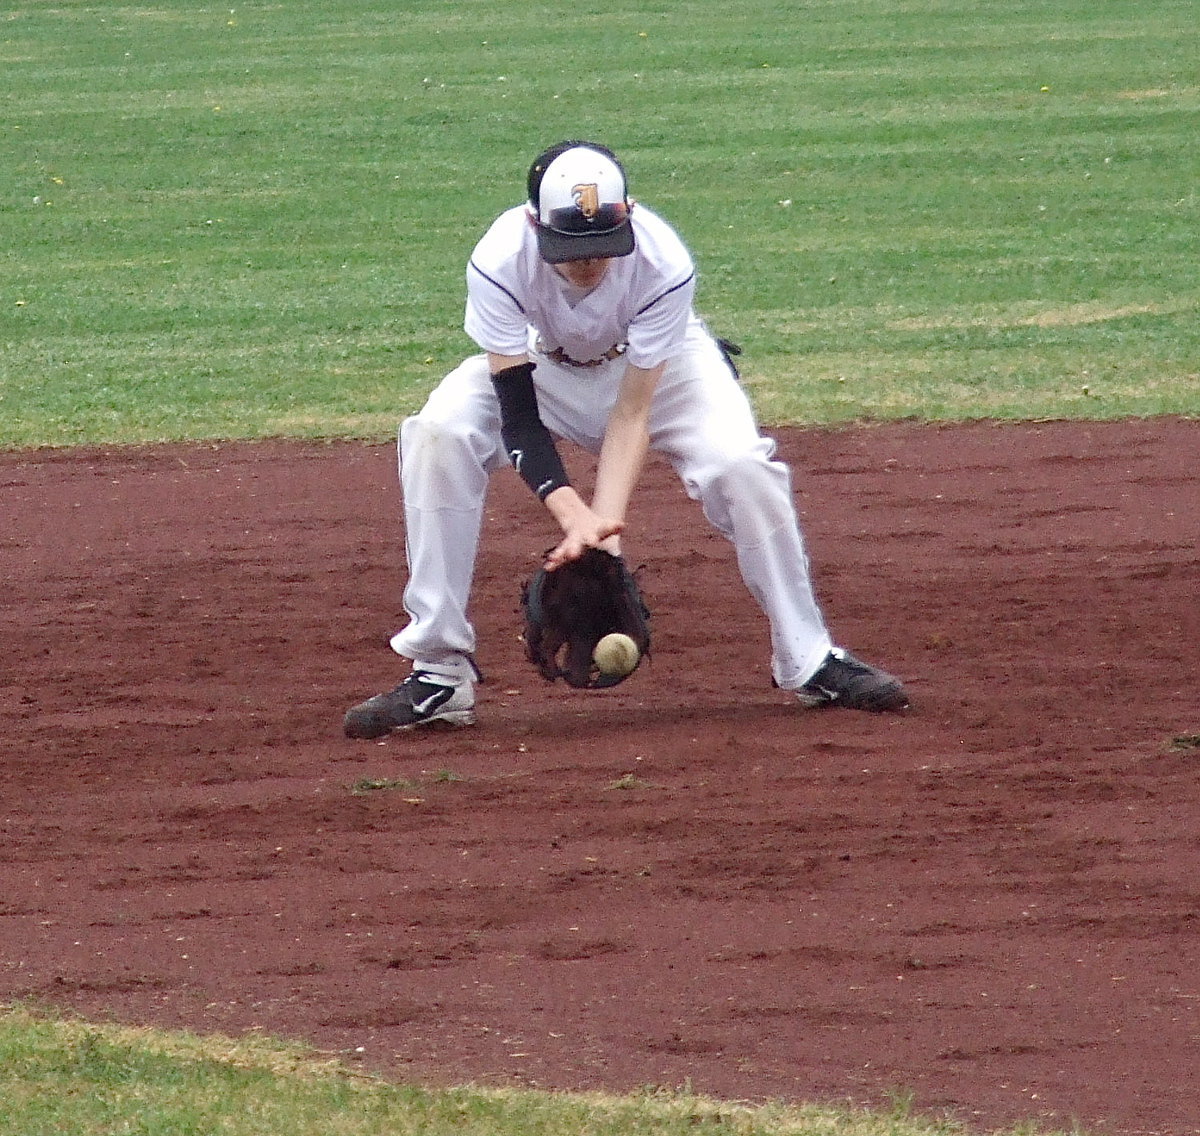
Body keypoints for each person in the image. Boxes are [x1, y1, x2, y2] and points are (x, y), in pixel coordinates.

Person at [343, 140, 908, 738]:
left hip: (664, 371)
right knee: (438, 434)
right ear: (534, 222)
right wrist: (574, 520)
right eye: (570, 250)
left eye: (601, 247)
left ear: (629, 214)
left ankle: (809, 656)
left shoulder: (663, 262)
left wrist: (602, 534)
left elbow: (631, 413)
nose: (588, 264)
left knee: (740, 466)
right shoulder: (498, 260)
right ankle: (437, 669)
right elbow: (518, 418)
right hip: (546, 369)